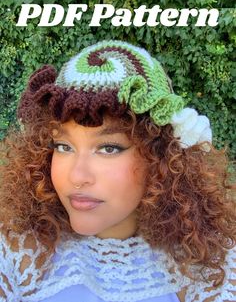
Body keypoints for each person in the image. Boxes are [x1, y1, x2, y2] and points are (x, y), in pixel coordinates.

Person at [0, 40, 235, 302]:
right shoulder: (17, 255)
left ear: (160, 158)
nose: (77, 177)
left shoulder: (209, 268)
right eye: (63, 146)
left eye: (108, 148)